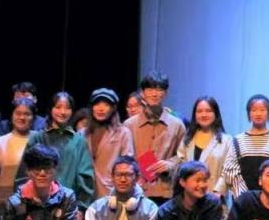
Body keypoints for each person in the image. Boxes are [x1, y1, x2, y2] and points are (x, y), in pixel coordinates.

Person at [25, 92, 95, 213]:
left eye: (67, 108)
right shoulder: (38, 138)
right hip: (36, 204)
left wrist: (81, 207)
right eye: (58, 107)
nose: (62, 112)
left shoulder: (79, 141)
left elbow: (86, 176)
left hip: (69, 206)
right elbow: (25, 171)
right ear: (51, 109)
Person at [123, 71, 186, 205]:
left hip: (166, 192)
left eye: (159, 89)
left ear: (165, 93)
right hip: (136, 191)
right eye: (150, 89)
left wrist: (170, 164)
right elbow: (123, 158)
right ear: (142, 93)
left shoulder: (177, 125)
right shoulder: (129, 125)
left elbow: (184, 157)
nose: (154, 94)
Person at [222, 94, 269, 198]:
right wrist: (244, 195)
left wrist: (267, 194)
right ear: (249, 114)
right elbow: (230, 170)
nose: (258, 114)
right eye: (254, 110)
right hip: (242, 197)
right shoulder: (238, 140)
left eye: (262, 110)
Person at [174, 96, 232, 199]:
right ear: (195, 115)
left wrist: (218, 192)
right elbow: (180, 165)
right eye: (199, 111)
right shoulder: (187, 139)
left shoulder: (227, 141)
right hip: (189, 198)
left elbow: (228, 170)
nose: (204, 115)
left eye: (208, 111)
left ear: (216, 114)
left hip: (214, 197)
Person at [0, 98, 39, 207]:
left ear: (33, 117)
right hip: (4, 204)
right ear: (11, 116)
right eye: (18, 113)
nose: (22, 117)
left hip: (35, 205)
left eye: (27, 114)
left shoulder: (40, 140)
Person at [83, 88, 134, 200]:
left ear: (113, 108)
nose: (101, 109)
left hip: (111, 192)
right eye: (97, 104)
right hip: (86, 192)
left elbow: (127, 163)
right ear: (92, 107)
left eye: (106, 105)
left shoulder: (123, 133)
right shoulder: (83, 134)